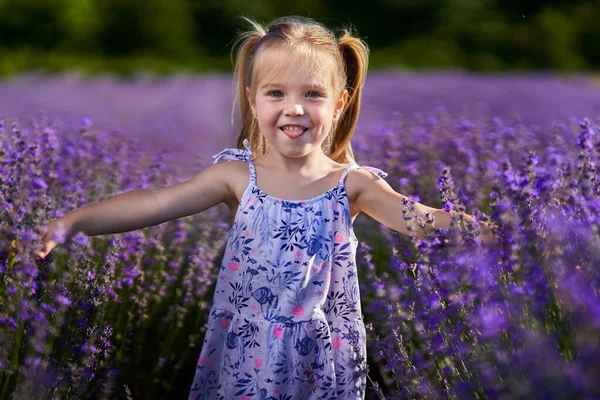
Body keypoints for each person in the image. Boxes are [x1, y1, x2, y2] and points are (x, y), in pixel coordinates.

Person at [36, 15, 497, 400]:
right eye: (276, 93)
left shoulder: (351, 183)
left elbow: (420, 220)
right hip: (244, 353)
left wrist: (499, 230)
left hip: (320, 360)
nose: (294, 108)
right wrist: (73, 224)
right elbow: (156, 204)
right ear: (253, 103)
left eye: (312, 95)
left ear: (339, 104)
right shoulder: (236, 177)